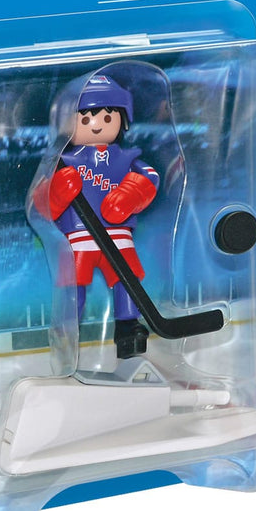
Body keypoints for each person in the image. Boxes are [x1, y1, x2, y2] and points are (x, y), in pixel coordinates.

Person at [49, 74, 159, 359]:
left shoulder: (126, 159)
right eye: (85, 119)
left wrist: (132, 193)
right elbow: (43, 203)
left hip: (117, 233)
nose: (96, 125)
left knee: (127, 279)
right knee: (73, 284)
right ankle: (66, 328)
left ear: (123, 121)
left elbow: (151, 176)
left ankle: (128, 326)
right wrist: (57, 193)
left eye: (107, 118)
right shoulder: (64, 163)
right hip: (79, 236)